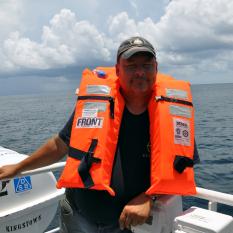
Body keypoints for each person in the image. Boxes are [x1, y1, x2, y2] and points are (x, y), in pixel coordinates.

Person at [0, 36, 199, 233]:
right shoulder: (95, 105)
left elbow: (180, 168)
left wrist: (150, 197)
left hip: (124, 225)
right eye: (131, 65)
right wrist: (18, 168)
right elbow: (60, 144)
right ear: (118, 69)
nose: (140, 72)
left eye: (146, 65)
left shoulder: (173, 116)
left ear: (156, 67)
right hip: (77, 216)